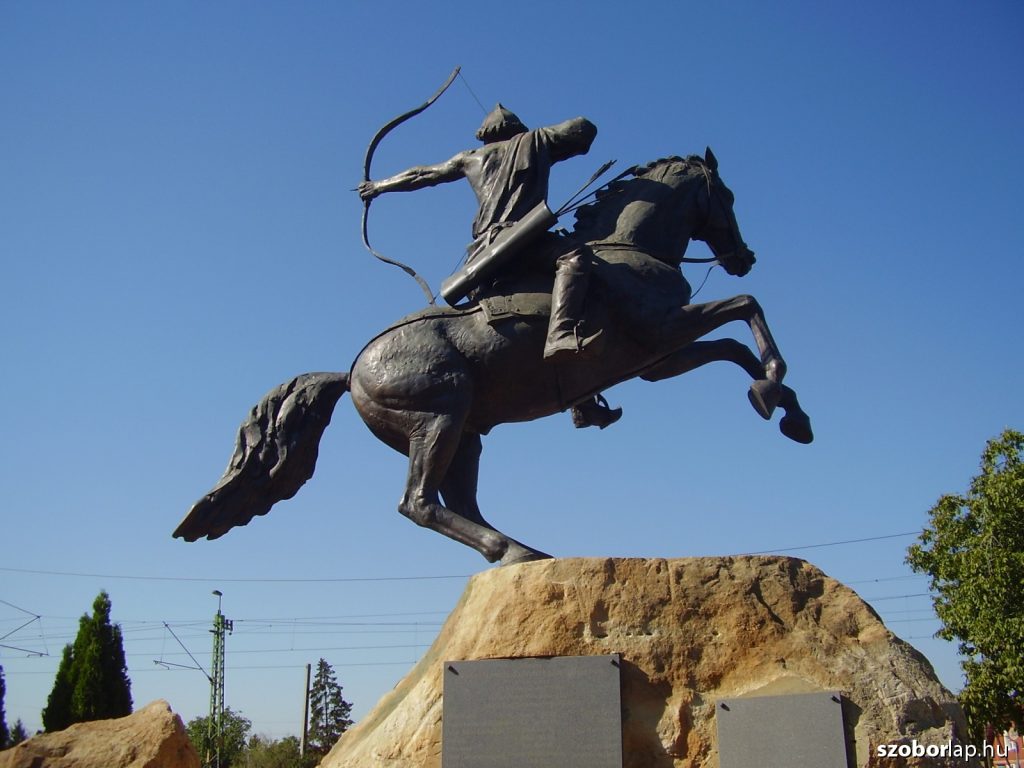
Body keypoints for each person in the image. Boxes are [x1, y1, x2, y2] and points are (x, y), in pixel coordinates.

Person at [358, 103, 620, 428]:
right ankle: (562, 334)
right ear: (517, 129)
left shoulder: (470, 158)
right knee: (575, 257)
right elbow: (583, 128)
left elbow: (422, 174)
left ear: (484, 135)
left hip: (484, 254)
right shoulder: (533, 141)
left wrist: (379, 186)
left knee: (556, 297)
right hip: (521, 241)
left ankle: (583, 402)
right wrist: (543, 139)